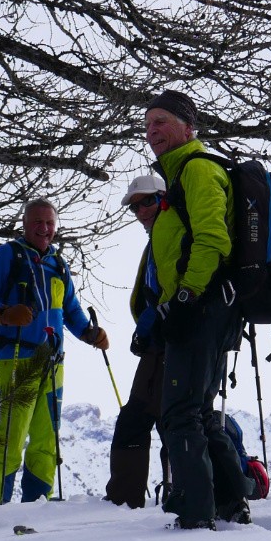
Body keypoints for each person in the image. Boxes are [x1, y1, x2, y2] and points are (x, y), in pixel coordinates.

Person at [142, 89, 249, 530]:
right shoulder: (180, 177)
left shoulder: (198, 170)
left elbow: (212, 239)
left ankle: (196, 516)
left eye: (161, 122)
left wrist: (186, 297)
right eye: (147, 126)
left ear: (188, 127)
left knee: (180, 414)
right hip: (207, 307)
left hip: (203, 307)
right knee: (200, 413)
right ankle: (230, 504)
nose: (152, 132)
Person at [0, 198, 108, 506]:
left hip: (53, 361)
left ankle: (37, 506)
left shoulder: (58, 264)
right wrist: (4, 314)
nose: (44, 228)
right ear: (24, 223)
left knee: (47, 439)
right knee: (11, 435)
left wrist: (90, 333)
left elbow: (70, 310)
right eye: (37, 222)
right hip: (17, 357)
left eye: (49, 223)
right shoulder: (8, 255)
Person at [103, 173, 172, 508]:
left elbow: (174, 288)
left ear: (163, 197)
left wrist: (150, 322)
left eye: (147, 201)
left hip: (171, 341)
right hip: (162, 342)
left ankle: (124, 500)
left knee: (145, 418)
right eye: (135, 206)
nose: (142, 210)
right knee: (169, 418)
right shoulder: (157, 237)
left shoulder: (169, 232)